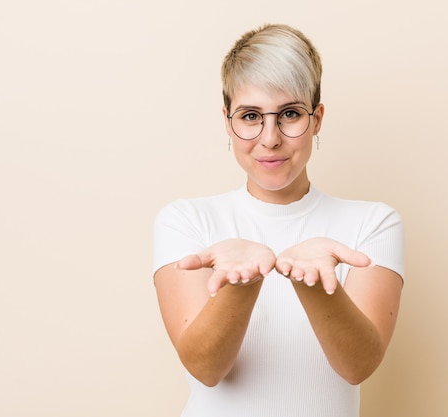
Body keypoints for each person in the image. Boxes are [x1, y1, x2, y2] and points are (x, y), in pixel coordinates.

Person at [152, 23, 404, 417]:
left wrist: (316, 284)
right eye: (251, 116)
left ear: (317, 118)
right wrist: (242, 281)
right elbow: (205, 368)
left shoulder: (373, 223)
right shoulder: (186, 220)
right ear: (227, 121)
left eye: (289, 113)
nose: (270, 138)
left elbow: (358, 366)